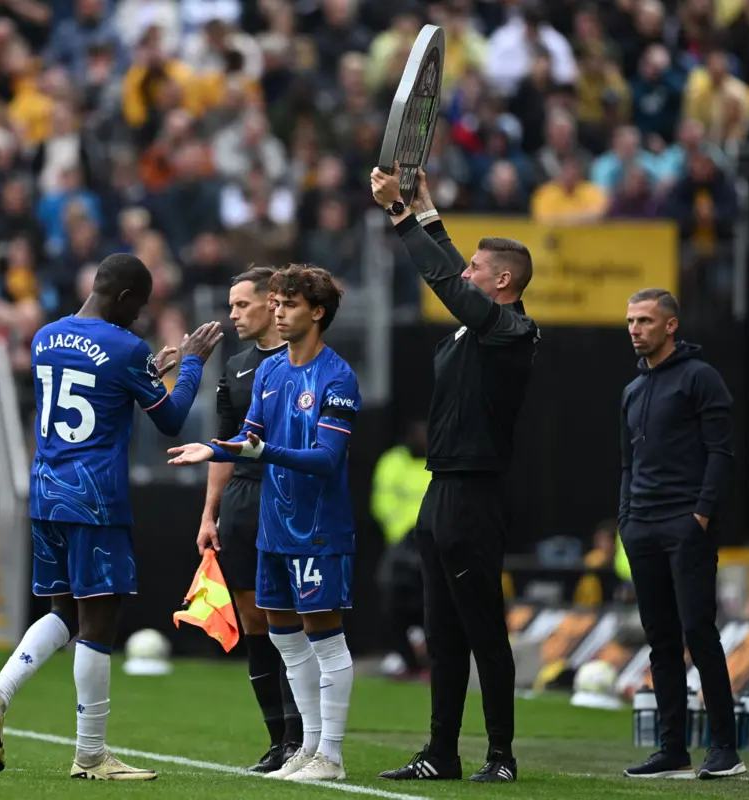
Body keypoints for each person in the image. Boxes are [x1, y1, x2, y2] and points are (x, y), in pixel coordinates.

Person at [0, 253, 224, 780]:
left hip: (46, 491)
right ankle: (90, 756)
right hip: (95, 499)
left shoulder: (44, 336)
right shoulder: (126, 346)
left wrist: (148, 373)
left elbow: (94, 384)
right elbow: (172, 420)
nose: (140, 318)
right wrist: (193, 360)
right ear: (125, 297)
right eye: (140, 307)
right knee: (98, 624)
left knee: (63, 610)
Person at [371, 165, 539, 783]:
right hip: (440, 492)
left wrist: (401, 216)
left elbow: (445, 278)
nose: (464, 270)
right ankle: (441, 753)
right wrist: (427, 210)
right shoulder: (479, 328)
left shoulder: (512, 330)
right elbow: (451, 271)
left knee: (483, 631)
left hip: (475, 496)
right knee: (442, 633)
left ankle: (501, 755)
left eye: (476, 266)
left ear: (502, 281)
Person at [168, 264, 361, 783]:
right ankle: (305, 747)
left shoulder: (337, 377)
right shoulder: (271, 374)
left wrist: (262, 450)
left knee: (325, 638)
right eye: (275, 302)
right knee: (283, 637)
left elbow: (325, 457)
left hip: (318, 525)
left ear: (317, 312)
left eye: (289, 304)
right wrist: (209, 448)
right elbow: (246, 435)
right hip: (273, 524)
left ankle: (332, 755)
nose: (278, 310)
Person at [618, 288, 744, 780]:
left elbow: (721, 453)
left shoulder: (700, 378)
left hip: (685, 524)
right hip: (642, 527)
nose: (635, 329)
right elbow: (627, 464)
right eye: (630, 321)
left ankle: (725, 748)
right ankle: (673, 749)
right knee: (661, 639)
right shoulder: (631, 390)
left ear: (670, 326)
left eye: (645, 321)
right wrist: (626, 518)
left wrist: (701, 516)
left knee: (698, 631)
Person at [194, 265, 301, 772]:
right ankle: (278, 739)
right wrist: (209, 514)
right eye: (231, 305)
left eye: (242, 304)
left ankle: (307, 737)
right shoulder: (235, 365)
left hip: (288, 494)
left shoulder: (303, 357)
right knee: (254, 619)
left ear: (271, 303)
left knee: (292, 621)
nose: (233, 314)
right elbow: (223, 448)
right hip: (242, 501)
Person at [371, 419, 432, 678]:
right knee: (392, 602)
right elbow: (382, 501)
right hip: (401, 546)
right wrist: (402, 533)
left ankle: (430, 659)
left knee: (434, 605)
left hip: (433, 545)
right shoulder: (393, 461)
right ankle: (404, 658)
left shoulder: (440, 462)